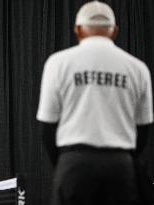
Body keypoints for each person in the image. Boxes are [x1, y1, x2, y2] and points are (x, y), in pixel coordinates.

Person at [36, 1, 153, 205]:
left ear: (78, 30)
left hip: (73, 164)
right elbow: (143, 130)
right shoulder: (138, 68)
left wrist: (66, 162)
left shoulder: (58, 63)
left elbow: (47, 127)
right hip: (120, 167)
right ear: (114, 31)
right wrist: (122, 158)